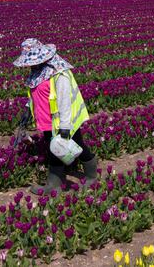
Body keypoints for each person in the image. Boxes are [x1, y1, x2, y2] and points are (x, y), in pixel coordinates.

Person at [13, 38, 98, 194]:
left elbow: (65, 100)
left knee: (76, 146)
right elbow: (36, 93)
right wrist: (27, 109)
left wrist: (65, 126)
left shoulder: (59, 72)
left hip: (63, 120)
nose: (29, 65)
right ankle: (55, 184)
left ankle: (90, 176)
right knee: (54, 149)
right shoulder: (37, 71)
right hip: (46, 120)